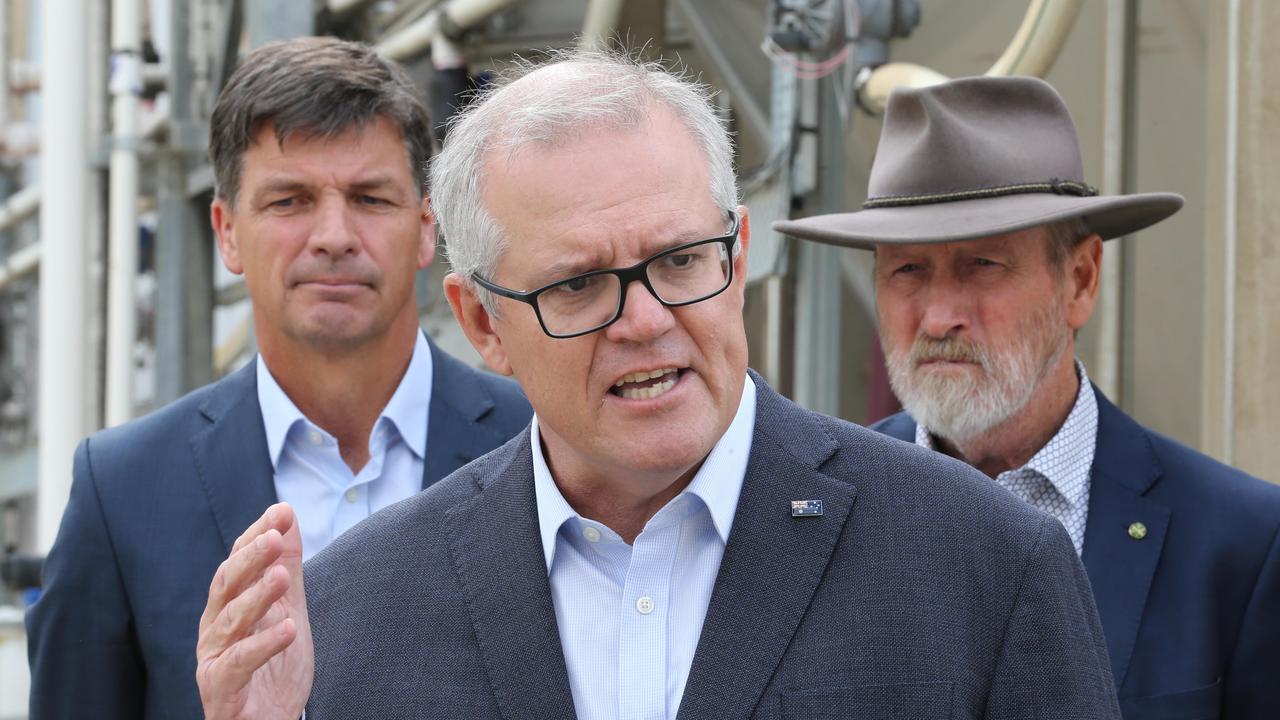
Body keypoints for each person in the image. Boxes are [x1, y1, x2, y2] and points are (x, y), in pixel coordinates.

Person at [195, 52, 1123, 720]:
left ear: (741, 251)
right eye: (578, 284)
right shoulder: (356, 614)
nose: (644, 320)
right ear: (482, 324)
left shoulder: (987, 567)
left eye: (680, 261)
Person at [26, 37, 531, 719]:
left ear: (424, 229)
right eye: (290, 200)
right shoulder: (122, 495)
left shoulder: (539, 446)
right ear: (227, 231)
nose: (333, 235)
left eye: (369, 197)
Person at [775, 76, 1280, 719]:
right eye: (908, 269)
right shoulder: (810, 520)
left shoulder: (1242, 546)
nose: (938, 317)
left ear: (1080, 281)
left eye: (983, 264)